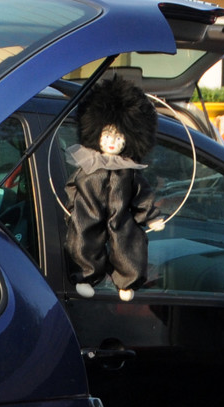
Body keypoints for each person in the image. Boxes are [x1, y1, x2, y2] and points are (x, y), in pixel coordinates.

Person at [63, 76, 164, 302]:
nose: (112, 142)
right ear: (96, 133)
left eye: (119, 138)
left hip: (121, 215)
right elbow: (73, 186)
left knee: (129, 242)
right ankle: (85, 276)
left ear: (129, 139)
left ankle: (127, 281)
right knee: (83, 238)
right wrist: (71, 208)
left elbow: (141, 194)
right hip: (88, 211)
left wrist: (151, 217)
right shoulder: (88, 165)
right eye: (107, 135)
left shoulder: (128, 170)